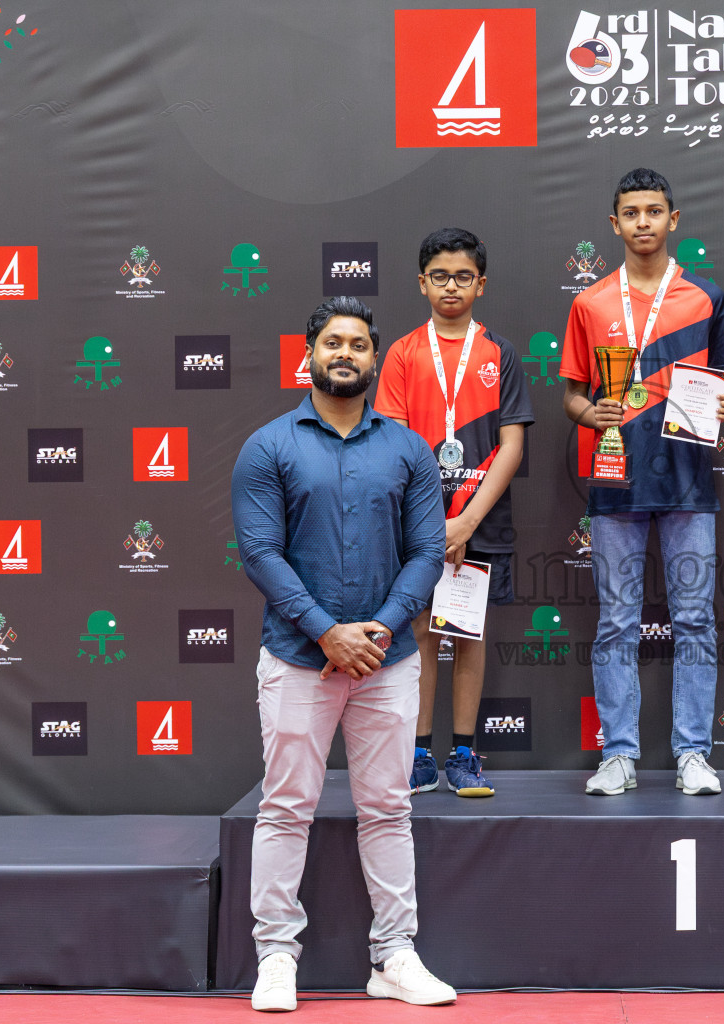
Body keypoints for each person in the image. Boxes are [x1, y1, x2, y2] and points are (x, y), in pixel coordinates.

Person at [232, 297, 456, 1011]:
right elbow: (261, 553)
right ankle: (274, 955)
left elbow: (427, 552)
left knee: (388, 808)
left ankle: (394, 956)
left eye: (359, 344)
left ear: (373, 358)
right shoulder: (268, 446)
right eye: (333, 342)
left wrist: (378, 631)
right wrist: (328, 632)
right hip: (299, 659)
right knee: (286, 806)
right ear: (310, 353)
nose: (346, 354)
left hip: (387, 664)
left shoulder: (409, 449)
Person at [560, 167, 724, 796]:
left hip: (689, 483)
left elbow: (720, 389)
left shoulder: (705, 297)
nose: (643, 223)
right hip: (615, 482)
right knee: (615, 622)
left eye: (653, 211)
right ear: (615, 223)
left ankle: (693, 753)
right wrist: (593, 413)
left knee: (693, 619)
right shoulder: (589, 302)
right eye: (631, 212)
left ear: (673, 219)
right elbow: (573, 397)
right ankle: (619, 755)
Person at [373, 228, 534, 798]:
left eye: (463, 276)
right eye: (439, 276)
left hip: (481, 518)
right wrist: (430, 528)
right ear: (422, 283)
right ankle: (418, 754)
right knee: (418, 630)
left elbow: (512, 446)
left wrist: (464, 523)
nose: (451, 286)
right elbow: (391, 446)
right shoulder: (401, 353)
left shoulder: (500, 353)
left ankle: (464, 753)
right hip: (415, 524)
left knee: (468, 631)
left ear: (481, 285)